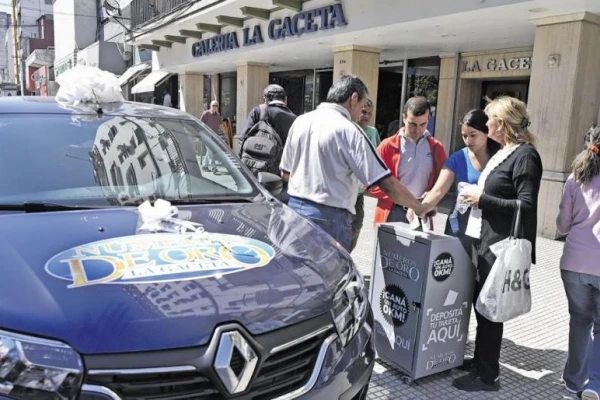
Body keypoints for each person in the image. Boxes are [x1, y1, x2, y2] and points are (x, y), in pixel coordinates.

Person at [280, 75, 434, 252]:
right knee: (331, 277)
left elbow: (285, 173)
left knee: (298, 271)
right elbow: (386, 183)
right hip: (330, 218)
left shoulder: (301, 121)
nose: (361, 112)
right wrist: (419, 207)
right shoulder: (349, 130)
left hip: (294, 210)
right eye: (362, 106)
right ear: (354, 98)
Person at [453, 96, 543, 392]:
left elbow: (526, 204)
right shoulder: (506, 151)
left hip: (501, 247)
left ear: (500, 124)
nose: (485, 121)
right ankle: (481, 361)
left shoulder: (525, 156)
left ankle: (488, 376)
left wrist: (483, 199)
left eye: (489, 117)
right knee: (483, 308)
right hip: (487, 242)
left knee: (491, 311)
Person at [556, 126, 600, 400]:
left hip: (573, 263)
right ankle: (595, 383)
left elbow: (562, 224)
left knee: (580, 322)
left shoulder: (575, 178)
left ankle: (573, 383)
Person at [421, 109, 501, 257]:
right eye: (464, 136)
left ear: (487, 132)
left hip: (491, 227)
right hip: (460, 227)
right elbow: (438, 190)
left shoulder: (501, 157)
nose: (468, 141)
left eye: (473, 135)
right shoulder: (457, 158)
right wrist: (421, 207)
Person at [369, 96, 447, 226]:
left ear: (429, 119)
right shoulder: (387, 145)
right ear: (404, 117)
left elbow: (443, 182)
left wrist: (430, 196)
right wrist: (398, 196)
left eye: (423, 124)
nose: (418, 130)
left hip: (422, 213)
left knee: (421, 247)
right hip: (392, 211)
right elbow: (369, 181)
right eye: (413, 124)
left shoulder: (436, 147)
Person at [351, 98, 380, 251]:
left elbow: (378, 156)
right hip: (345, 191)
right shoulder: (348, 129)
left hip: (360, 192)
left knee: (357, 227)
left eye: (369, 113)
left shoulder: (372, 132)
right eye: (363, 112)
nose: (366, 116)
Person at [237, 84, 297, 148]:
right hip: (282, 157)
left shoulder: (258, 111)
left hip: (256, 156)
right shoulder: (295, 119)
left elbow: (243, 138)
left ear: (265, 99)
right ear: (285, 99)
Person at [200, 100, 222, 172]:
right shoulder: (206, 113)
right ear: (210, 106)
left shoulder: (218, 115)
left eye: (216, 106)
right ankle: (213, 167)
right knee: (210, 151)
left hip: (214, 135)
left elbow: (220, 124)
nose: (214, 107)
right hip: (206, 135)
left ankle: (204, 166)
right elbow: (200, 123)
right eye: (213, 105)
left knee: (209, 151)